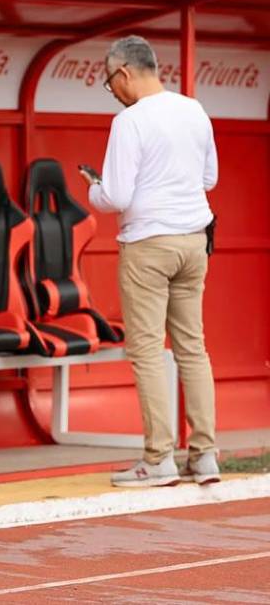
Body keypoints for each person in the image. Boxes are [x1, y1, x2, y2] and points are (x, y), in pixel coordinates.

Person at [81, 36, 219, 488]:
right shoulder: (193, 109)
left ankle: (159, 458)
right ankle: (205, 456)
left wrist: (94, 189)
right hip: (194, 241)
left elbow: (117, 195)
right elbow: (209, 178)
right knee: (192, 348)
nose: (113, 92)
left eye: (109, 83)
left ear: (124, 73)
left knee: (146, 350)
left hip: (148, 245)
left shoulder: (129, 120)